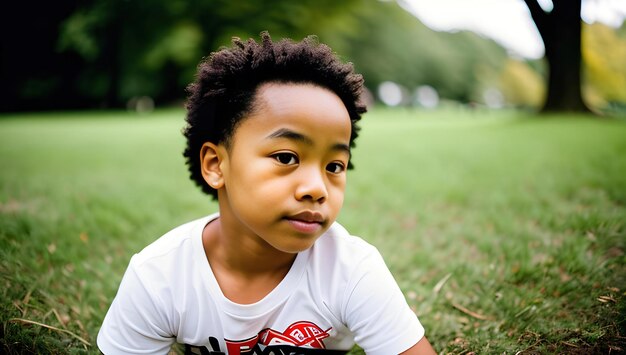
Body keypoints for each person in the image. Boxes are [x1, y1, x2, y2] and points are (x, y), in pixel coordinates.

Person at [97, 32, 436, 355]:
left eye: (334, 166)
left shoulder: (351, 270)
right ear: (216, 164)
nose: (317, 189)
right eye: (286, 157)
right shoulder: (159, 277)